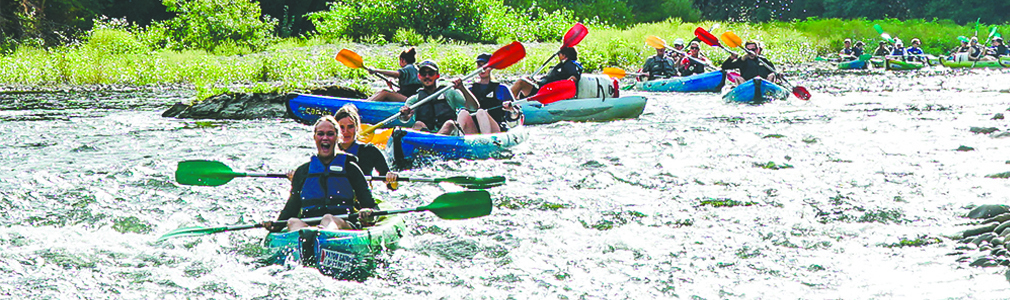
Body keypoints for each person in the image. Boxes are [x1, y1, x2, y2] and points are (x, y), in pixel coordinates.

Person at [264, 115, 377, 232]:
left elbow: (370, 204)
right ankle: (304, 242)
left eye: (330, 134)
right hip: (309, 228)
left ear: (338, 137)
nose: (325, 138)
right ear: (314, 137)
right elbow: (291, 208)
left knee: (328, 219)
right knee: (293, 221)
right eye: (321, 134)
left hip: (342, 225)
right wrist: (275, 226)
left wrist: (368, 213)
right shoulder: (303, 172)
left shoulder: (351, 169)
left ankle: (322, 236)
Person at [399, 60, 479, 135]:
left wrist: (462, 88)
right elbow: (404, 120)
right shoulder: (414, 100)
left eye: (431, 73)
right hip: (426, 137)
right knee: (418, 124)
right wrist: (405, 115)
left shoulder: (449, 93)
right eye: (423, 74)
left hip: (449, 137)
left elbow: (474, 107)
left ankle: (434, 144)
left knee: (449, 124)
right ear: (419, 76)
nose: (427, 76)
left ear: (437, 75)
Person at [332, 104, 399, 190]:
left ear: (357, 128)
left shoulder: (370, 151)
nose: (346, 132)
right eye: (341, 127)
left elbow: (392, 187)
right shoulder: (328, 151)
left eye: (350, 127)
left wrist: (393, 180)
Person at [456, 53, 522, 134]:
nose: (482, 69)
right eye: (479, 66)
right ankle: (457, 138)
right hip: (475, 129)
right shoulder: (470, 89)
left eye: (485, 66)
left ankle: (485, 140)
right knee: (463, 113)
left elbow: (516, 116)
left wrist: (511, 109)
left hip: (496, 129)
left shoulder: (501, 89)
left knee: (481, 112)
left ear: (491, 68)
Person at [511, 47, 583, 98]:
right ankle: (512, 102)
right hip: (542, 89)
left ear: (564, 55)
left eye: (559, 54)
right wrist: (536, 81)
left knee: (521, 82)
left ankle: (505, 104)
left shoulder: (570, 65)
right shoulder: (563, 65)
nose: (558, 56)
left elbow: (573, 78)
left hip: (546, 93)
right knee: (525, 80)